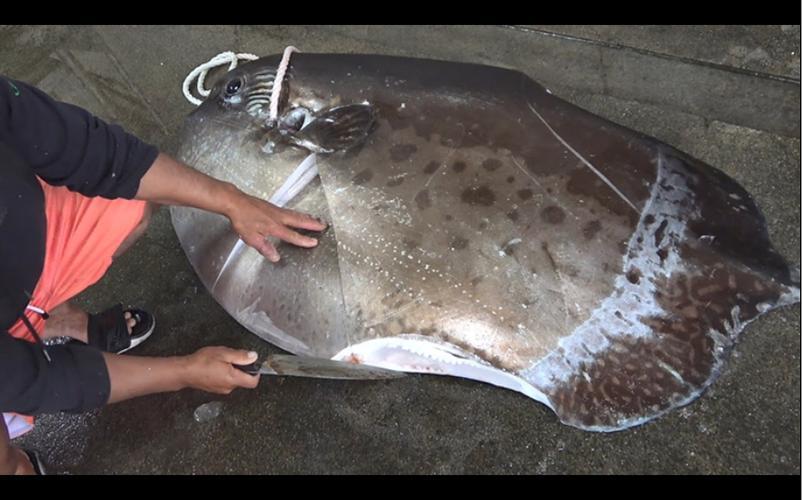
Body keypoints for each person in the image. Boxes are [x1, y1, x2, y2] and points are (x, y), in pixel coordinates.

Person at [0, 75, 327, 474]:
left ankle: (54, 319)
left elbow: (96, 153)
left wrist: (232, 201)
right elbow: (45, 381)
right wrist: (183, 371)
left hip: (18, 253)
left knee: (128, 205)